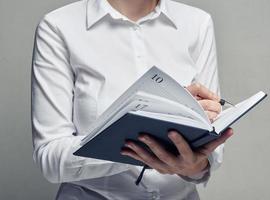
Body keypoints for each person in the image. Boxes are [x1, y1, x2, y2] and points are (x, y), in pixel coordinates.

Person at [31, 0, 233, 199]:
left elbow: (208, 157)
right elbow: (50, 159)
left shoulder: (197, 22)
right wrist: (145, 143)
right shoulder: (59, 26)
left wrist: (193, 164)